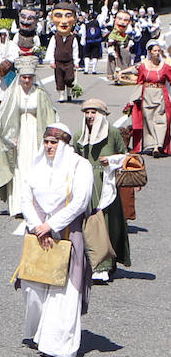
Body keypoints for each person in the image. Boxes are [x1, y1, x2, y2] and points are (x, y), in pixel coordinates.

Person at [17, 123, 93, 357]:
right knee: (33, 288)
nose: (49, 147)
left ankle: (56, 344)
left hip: (68, 234)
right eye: (47, 142)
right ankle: (38, 333)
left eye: (54, 143)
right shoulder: (37, 165)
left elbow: (80, 201)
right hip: (38, 234)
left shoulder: (81, 166)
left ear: (64, 144)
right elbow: (24, 197)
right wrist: (38, 226)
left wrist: (51, 225)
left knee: (63, 292)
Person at [74, 98, 131, 282]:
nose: (90, 116)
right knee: (90, 224)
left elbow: (125, 157)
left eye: (94, 112)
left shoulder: (113, 133)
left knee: (107, 224)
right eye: (87, 112)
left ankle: (106, 265)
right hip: (86, 183)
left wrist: (111, 160)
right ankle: (93, 263)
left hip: (106, 184)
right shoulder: (79, 135)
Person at [0, 56, 55, 217]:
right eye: (24, 77)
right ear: (19, 78)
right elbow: (4, 115)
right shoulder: (12, 93)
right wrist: (10, 136)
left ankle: (37, 205)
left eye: (29, 77)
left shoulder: (40, 93)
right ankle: (20, 206)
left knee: (36, 168)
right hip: (18, 134)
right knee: (19, 168)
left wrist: (48, 138)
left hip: (36, 133)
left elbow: (50, 115)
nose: (27, 80)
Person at [130, 41, 171, 156]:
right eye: (155, 51)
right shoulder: (144, 66)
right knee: (148, 120)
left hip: (160, 94)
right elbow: (140, 81)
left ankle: (159, 145)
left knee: (161, 119)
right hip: (147, 94)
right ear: (150, 52)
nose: (157, 53)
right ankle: (152, 145)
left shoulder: (165, 67)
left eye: (159, 51)